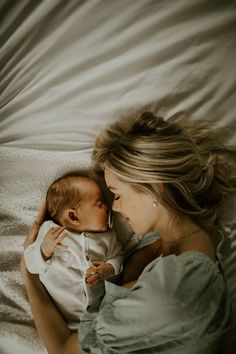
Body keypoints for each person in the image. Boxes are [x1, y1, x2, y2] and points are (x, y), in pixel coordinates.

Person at [21, 110, 236, 354]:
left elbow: (64, 350)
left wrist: (28, 274)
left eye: (118, 194)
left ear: (156, 187)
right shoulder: (189, 243)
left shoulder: (174, 289)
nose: (114, 207)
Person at [24, 170, 124, 329]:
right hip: (64, 318)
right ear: (73, 217)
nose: (107, 207)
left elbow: (118, 257)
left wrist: (110, 268)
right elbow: (30, 264)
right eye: (99, 204)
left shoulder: (108, 236)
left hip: (101, 314)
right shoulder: (51, 232)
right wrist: (44, 250)